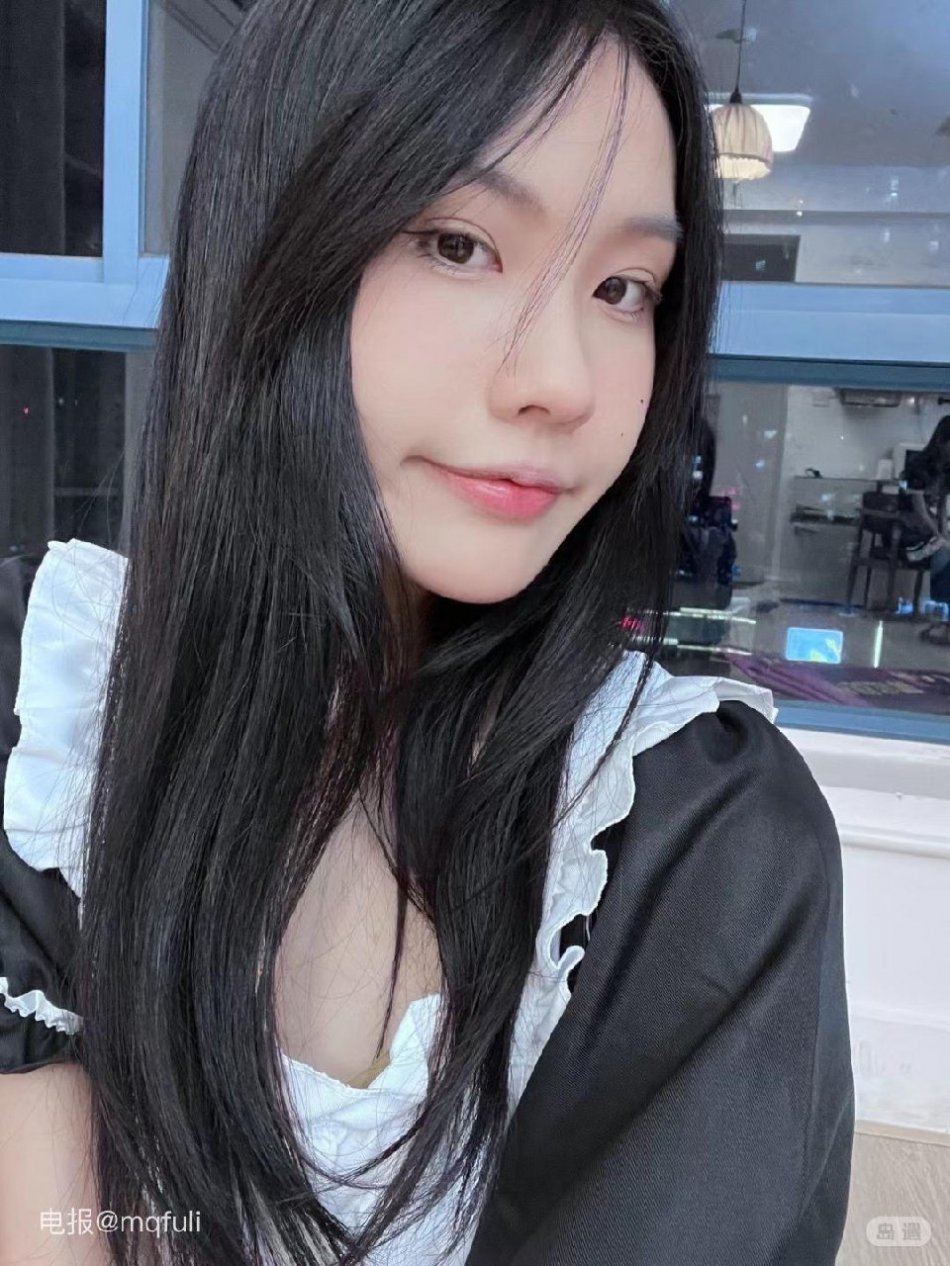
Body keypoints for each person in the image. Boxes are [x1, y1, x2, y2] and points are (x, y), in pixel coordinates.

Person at [0, 2, 855, 1263]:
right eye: (459, 245)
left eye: (623, 287)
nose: (561, 380)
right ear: (269, 240)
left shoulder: (693, 837)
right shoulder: (48, 697)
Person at [898, 415, 950, 605]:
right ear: (942, 441)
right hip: (909, 530)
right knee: (943, 549)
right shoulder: (919, 466)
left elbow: (942, 507)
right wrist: (939, 536)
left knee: (945, 545)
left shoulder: (947, 470)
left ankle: (944, 601)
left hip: (929, 527)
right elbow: (919, 509)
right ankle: (942, 600)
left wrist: (944, 534)